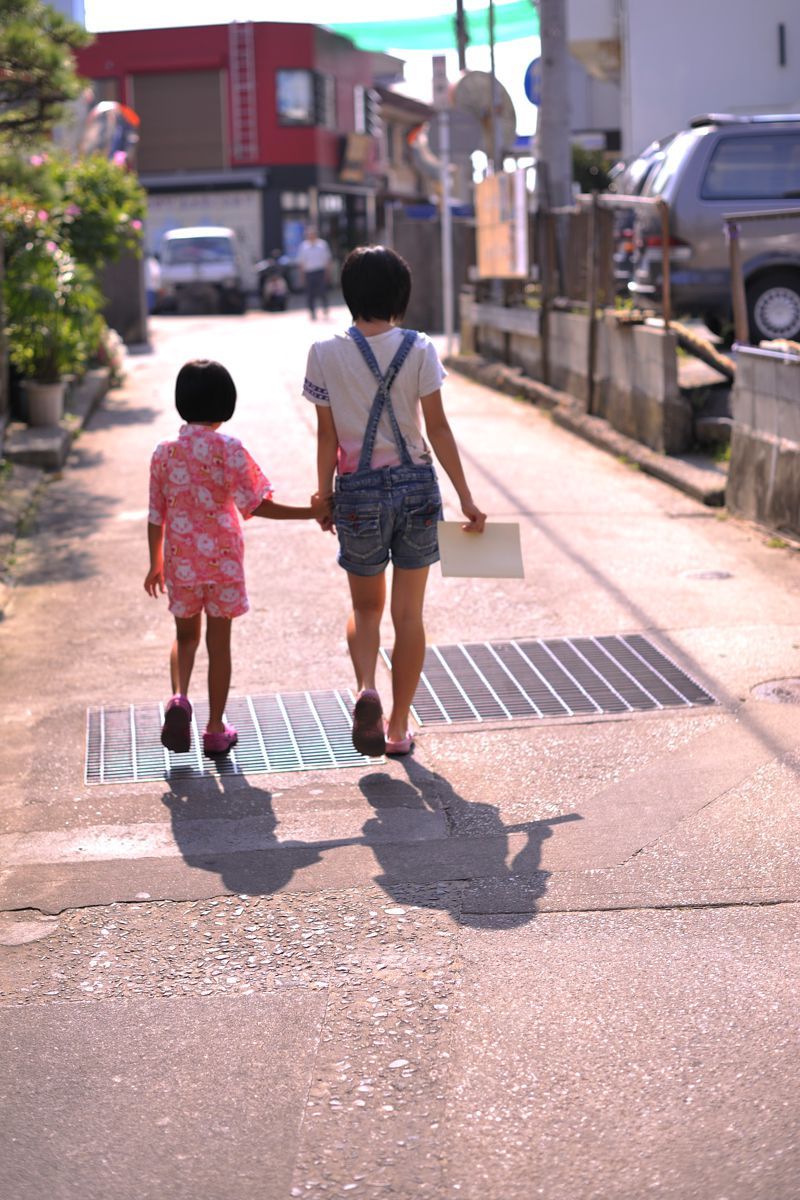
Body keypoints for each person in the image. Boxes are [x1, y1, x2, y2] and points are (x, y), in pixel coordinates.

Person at [303, 246, 486, 757]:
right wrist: (466, 497)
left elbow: (326, 438)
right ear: (400, 297)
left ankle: (366, 686)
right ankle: (399, 727)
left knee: (365, 608)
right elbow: (440, 428)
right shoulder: (420, 347)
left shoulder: (324, 351)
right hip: (417, 489)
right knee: (409, 616)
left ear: (348, 294)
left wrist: (324, 494)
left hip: (357, 492)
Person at [145, 359, 328, 757]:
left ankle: (178, 699)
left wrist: (154, 562)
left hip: (180, 557)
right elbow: (257, 504)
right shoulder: (229, 449)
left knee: (185, 636)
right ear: (226, 403)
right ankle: (214, 729)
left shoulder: (164, 452)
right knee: (219, 643)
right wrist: (310, 512)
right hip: (223, 558)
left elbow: (155, 515)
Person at [296, 225, 332, 320]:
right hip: (309, 272)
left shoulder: (322, 245)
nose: (311, 236)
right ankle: (312, 312)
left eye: (312, 234)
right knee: (310, 294)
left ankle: (325, 309)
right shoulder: (303, 246)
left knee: (323, 292)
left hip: (320, 271)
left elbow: (327, 260)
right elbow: (301, 262)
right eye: (309, 234)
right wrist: (302, 275)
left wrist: (327, 273)